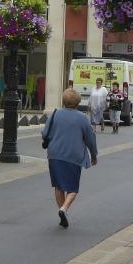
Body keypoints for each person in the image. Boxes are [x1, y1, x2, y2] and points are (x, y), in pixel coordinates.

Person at [41, 88, 98, 228]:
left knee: (58, 185)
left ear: (63, 101)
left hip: (54, 155)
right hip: (73, 155)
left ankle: (62, 212)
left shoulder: (55, 114)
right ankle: (64, 209)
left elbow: (44, 133)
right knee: (72, 188)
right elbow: (90, 138)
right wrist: (94, 154)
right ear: (78, 102)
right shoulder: (82, 118)